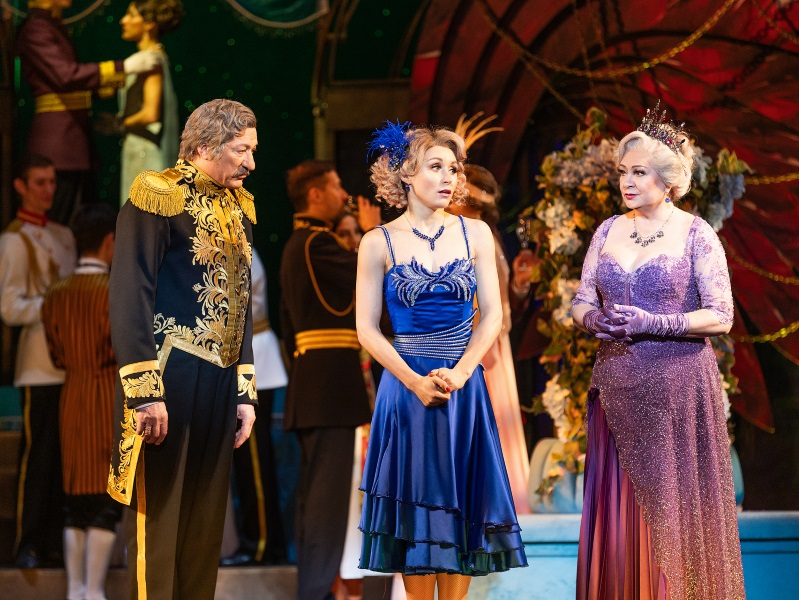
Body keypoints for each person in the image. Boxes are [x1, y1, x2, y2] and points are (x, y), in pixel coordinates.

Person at [571, 106, 745, 599]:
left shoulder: (695, 233)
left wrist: (655, 322)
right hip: (617, 391)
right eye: (622, 172)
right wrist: (593, 320)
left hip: (676, 393)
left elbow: (722, 314)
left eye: (639, 172)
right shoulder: (607, 230)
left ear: (668, 180)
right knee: (622, 530)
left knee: (672, 520)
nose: (627, 182)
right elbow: (581, 301)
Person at [356, 123, 527, 600]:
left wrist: (463, 370)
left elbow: (492, 315)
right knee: (417, 518)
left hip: (462, 388)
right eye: (436, 167)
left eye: (454, 168)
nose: (450, 177)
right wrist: (414, 381)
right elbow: (366, 329)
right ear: (406, 173)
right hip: (406, 391)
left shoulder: (476, 233)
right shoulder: (378, 242)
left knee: (461, 515)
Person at [107, 99, 258, 600]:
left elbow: (241, 301)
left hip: (220, 378)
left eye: (252, 151)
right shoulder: (158, 195)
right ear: (204, 147)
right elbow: (130, 293)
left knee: (203, 527)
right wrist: (145, 391)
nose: (250, 163)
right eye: (241, 150)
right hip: (167, 376)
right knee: (160, 523)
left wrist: (244, 392)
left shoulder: (238, 206)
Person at [280, 160, 379, 600]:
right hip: (328, 389)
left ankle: (314, 588)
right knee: (325, 503)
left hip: (316, 386)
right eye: (337, 187)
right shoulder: (314, 243)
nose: (345, 195)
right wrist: (374, 235)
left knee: (318, 501)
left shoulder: (304, 243)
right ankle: (316, 591)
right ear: (315, 195)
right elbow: (367, 271)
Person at [15, 0, 161, 224]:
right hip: (58, 146)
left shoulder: (52, 25)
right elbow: (65, 76)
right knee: (58, 223)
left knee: (77, 224)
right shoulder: (36, 27)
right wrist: (122, 68)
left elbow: (72, 85)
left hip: (73, 143)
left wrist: (119, 80)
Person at [0, 154, 76, 568]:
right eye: (40, 183)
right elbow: (9, 307)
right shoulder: (13, 241)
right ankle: (26, 542)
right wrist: (55, 305)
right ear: (21, 187)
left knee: (64, 457)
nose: (49, 190)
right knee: (38, 456)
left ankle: (53, 541)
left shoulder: (63, 235)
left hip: (71, 363)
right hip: (38, 364)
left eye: (52, 182)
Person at [41, 204, 121, 600]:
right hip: (107, 397)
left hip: (71, 396)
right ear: (110, 241)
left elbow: (56, 356)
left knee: (74, 499)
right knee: (106, 498)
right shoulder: (114, 292)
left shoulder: (55, 293)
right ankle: (95, 590)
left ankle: (77, 590)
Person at [445, 163, 530, 514]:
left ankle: (492, 503)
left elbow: (496, 298)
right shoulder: (459, 233)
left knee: (489, 417)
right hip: (474, 339)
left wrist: (518, 288)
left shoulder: (480, 233)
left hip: (486, 342)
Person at [222, 246, 289, 567]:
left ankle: (260, 543)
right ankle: (258, 540)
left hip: (251, 359)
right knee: (249, 465)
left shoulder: (237, 246)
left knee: (254, 466)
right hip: (246, 356)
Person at [96, 0, 182, 203]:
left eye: (132, 15)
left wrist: (119, 124)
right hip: (139, 148)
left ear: (149, 23)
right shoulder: (146, 58)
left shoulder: (151, 61)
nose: (123, 21)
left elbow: (151, 113)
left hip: (145, 152)